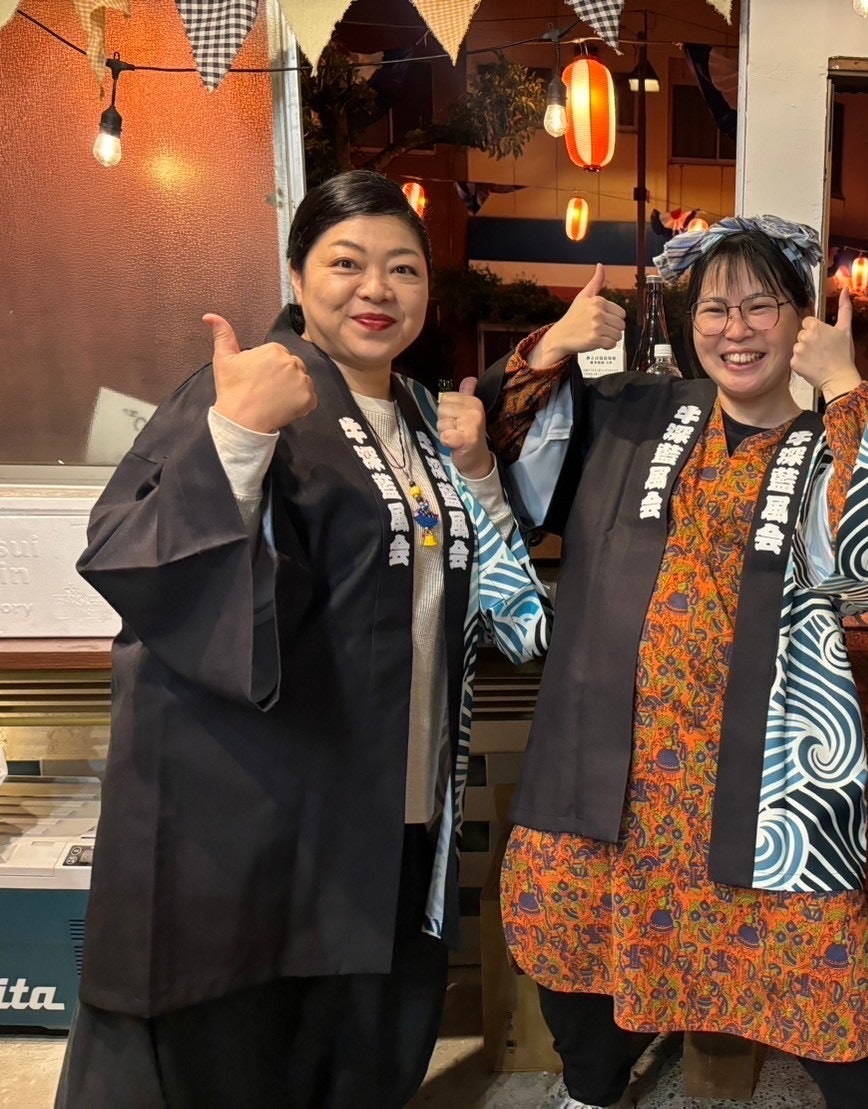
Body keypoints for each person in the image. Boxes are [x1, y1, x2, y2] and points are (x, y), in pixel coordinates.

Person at [55, 170, 548, 1109]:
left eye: (403, 268)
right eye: (346, 263)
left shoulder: (420, 416)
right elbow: (135, 553)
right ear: (296, 274)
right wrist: (238, 435)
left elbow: (506, 613)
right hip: (263, 823)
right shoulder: (246, 387)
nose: (377, 289)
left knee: (355, 1049)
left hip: (394, 807)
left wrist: (481, 469)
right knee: (249, 1053)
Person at [481, 216, 868, 1109]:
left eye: (761, 306)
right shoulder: (630, 418)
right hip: (613, 767)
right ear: (687, 321)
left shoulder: (830, 441)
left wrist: (844, 383)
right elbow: (498, 456)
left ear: (800, 319)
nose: (736, 329)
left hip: (767, 780)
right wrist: (552, 348)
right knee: (580, 947)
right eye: (714, 308)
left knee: (831, 986)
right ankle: (590, 1092)